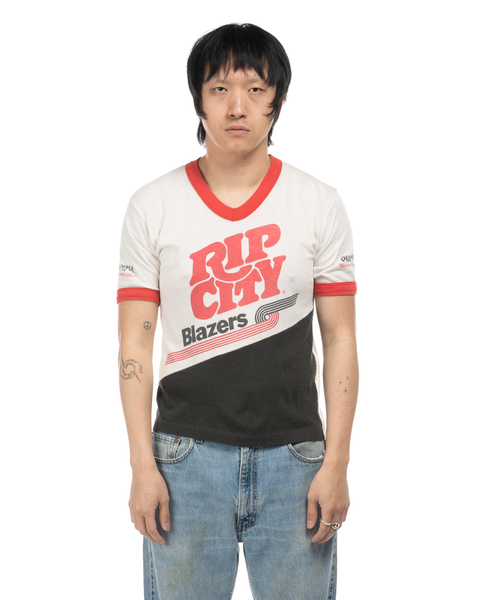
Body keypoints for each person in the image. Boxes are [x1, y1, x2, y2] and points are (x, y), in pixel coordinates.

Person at [117, 22, 358, 600]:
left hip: (296, 458)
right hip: (184, 460)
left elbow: (341, 339)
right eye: (220, 88)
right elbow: (134, 345)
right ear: (198, 98)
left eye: (255, 88)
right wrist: (143, 466)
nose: (237, 107)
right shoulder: (152, 205)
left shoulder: (318, 203)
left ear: (278, 99)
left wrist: (336, 463)